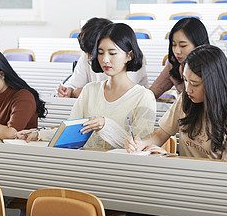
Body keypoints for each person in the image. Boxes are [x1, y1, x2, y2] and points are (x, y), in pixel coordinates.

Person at [125, 45, 227, 216]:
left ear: (213, 83)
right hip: (184, 188)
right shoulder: (186, 100)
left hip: (218, 196)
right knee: (138, 208)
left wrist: (173, 159)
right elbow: (160, 134)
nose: (188, 88)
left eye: (195, 83)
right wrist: (139, 143)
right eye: (185, 80)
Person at [18, 23, 156, 150]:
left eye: (112, 53)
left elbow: (138, 147)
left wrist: (105, 125)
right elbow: (71, 131)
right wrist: (39, 134)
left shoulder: (143, 97)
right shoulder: (90, 90)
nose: (105, 59)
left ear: (129, 55)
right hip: (85, 165)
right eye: (101, 53)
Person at [56, 17, 148, 98]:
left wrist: (86, 93)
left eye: (93, 53)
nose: (89, 58)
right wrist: (69, 90)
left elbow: (122, 92)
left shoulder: (126, 56)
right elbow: (74, 83)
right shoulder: (88, 54)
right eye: (86, 53)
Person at [149, 17, 210, 99]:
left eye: (183, 46)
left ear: (198, 44)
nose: (177, 51)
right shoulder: (174, 63)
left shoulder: (212, 64)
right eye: (173, 45)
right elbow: (155, 91)